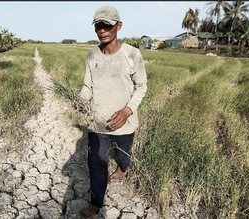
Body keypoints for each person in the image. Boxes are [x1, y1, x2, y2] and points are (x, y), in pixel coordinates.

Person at [75, 5, 148, 218]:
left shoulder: (132, 54)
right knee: (96, 163)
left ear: (119, 26)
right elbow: (88, 87)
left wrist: (127, 111)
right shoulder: (91, 56)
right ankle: (96, 202)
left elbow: (141, 86)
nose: (102, 30)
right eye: (98, 25)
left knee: (123, 156)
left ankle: (123, 169)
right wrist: (81, 100)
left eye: (107, 25)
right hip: (97, 124)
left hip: (125, 123)